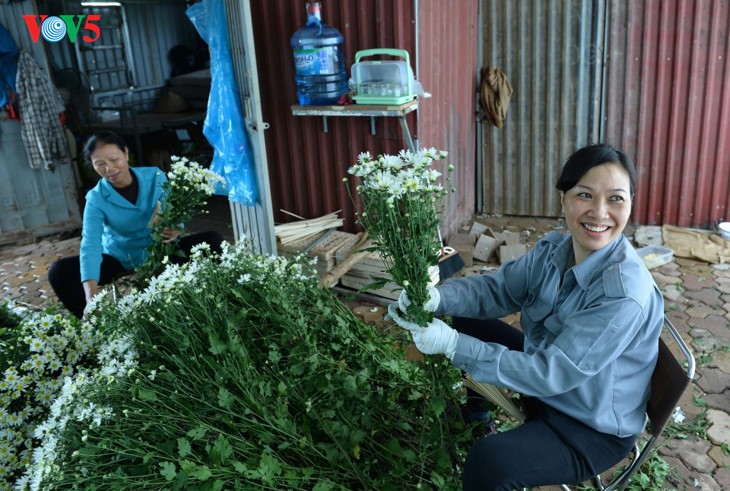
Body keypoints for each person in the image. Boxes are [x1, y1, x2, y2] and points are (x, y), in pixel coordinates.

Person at [388, 143, 665, 490]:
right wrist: (436, 298)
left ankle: (493, 439)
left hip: (587, 426)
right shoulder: (554, 250)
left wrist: (453, 346)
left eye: (615, 199)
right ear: (562, 199)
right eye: (585, 195)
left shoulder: (623, 294)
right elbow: (498, 291)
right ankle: (477, 418)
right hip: (549, 381)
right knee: (469, 319)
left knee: (489, 464)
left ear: (630, 204)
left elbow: (552, 373)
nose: (599, 212)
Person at [49, 131, 224, 318]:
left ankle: (220, 302)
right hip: (121, 257)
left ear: (125, 153)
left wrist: (175, 231)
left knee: (213, 240)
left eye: (114, 159)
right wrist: (91, 296)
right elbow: (90, 245)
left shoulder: (155, 177)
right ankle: (93, 324)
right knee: (59, 271)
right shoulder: (95, 198)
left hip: (162, 249)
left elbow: (173, 215)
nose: (109, 169)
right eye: (100, 164)